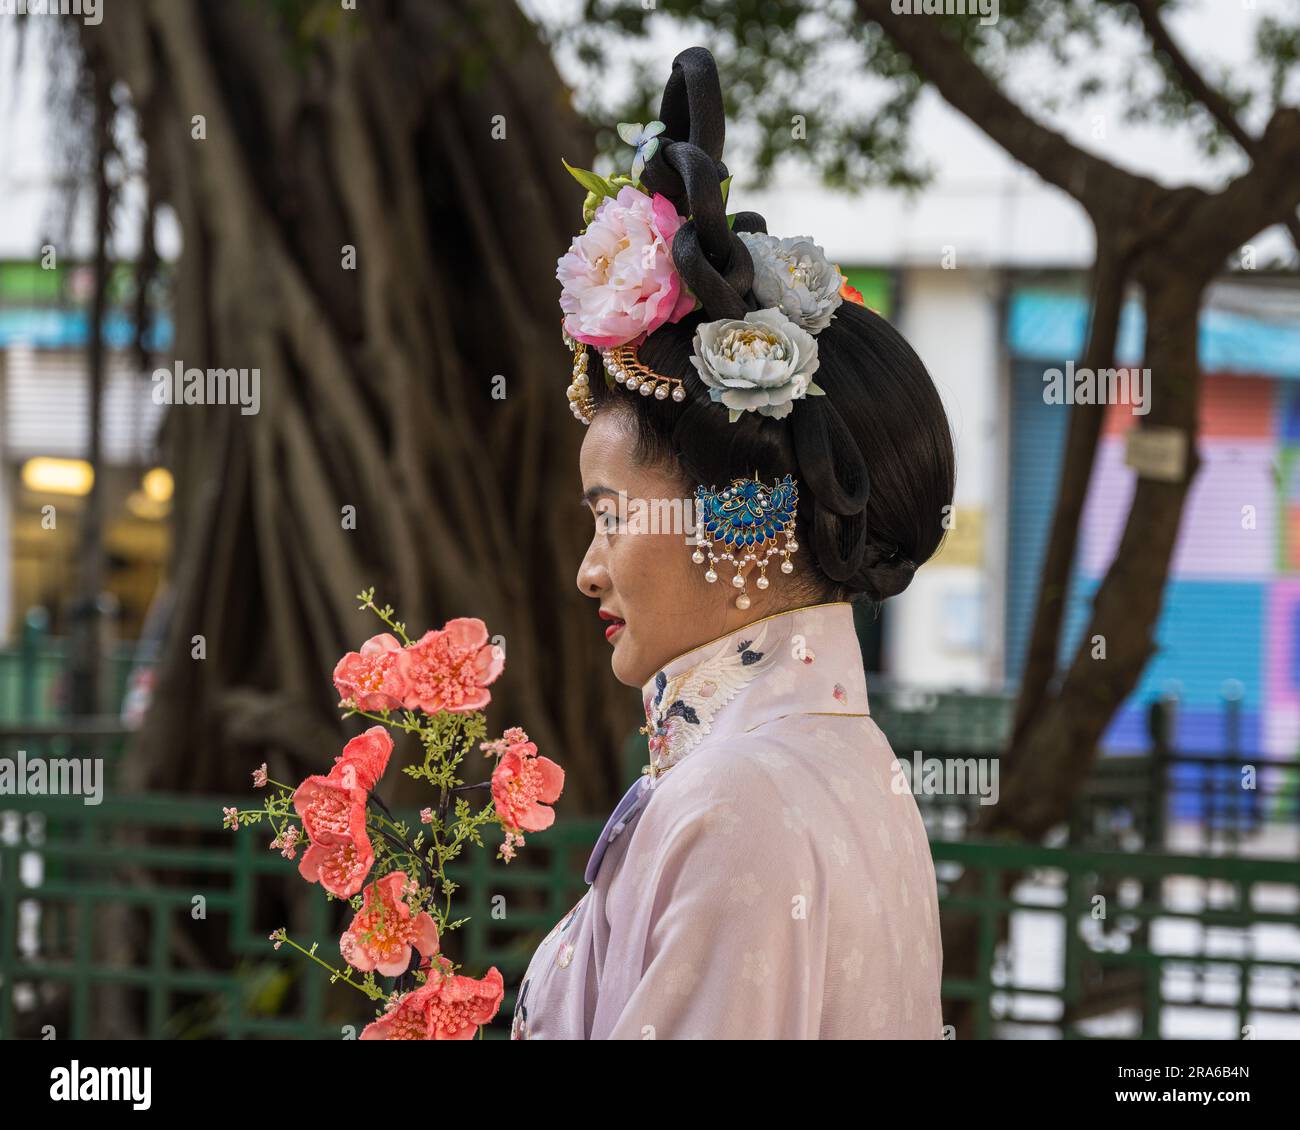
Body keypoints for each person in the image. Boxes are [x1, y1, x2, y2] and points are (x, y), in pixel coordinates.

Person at [512, 46, 955, 1040]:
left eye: (610, 514)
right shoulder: (856, 765)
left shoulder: (730, 799)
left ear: (741, 507)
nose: (588, 567)